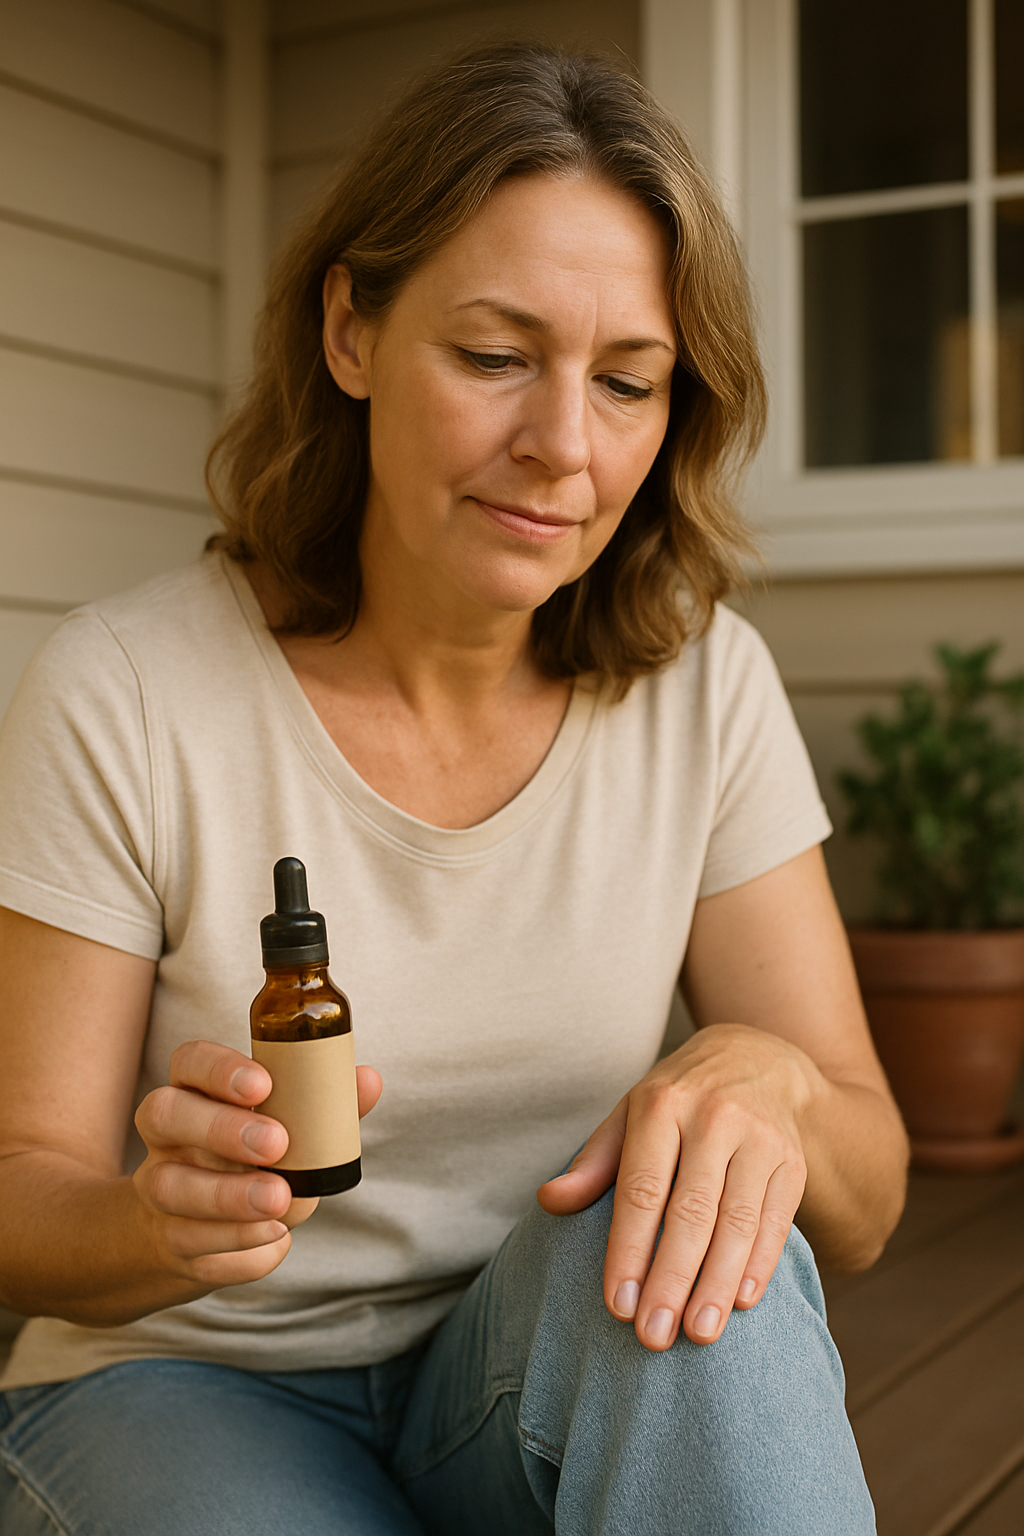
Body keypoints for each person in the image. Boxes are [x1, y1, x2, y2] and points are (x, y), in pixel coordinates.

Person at [0, 40, 906, 1536]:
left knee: (705, 1262)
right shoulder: (128, 690)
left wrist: (781, 1088)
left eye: (628, 382)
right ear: (351, 329)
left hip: (526, 1362)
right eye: (494, 357)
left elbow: (861, 1200)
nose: (563, 447)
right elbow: (22, 1197)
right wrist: (151, 1217)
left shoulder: (702, 684)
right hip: (183, 1378)